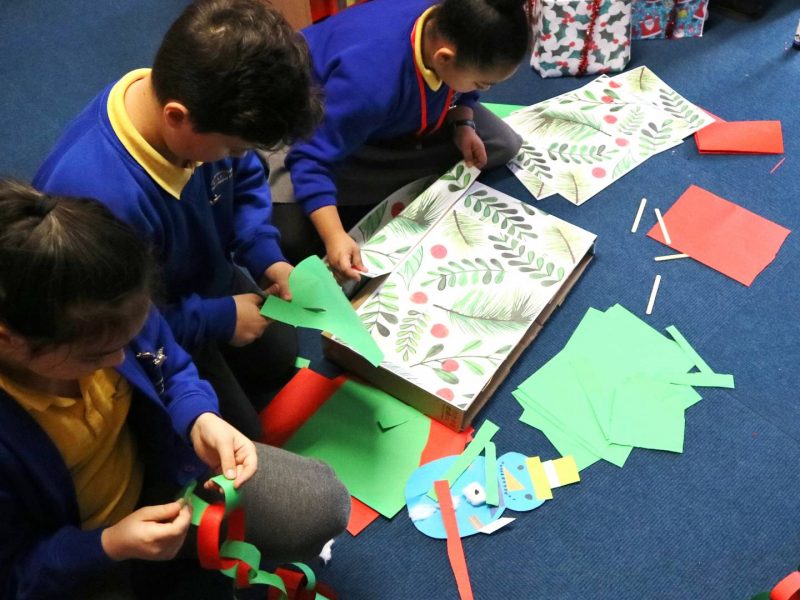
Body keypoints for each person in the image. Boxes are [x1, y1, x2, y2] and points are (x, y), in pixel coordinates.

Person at [0, 180, 350, 600]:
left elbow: (167, 362)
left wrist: (198, 416)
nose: (120, 360)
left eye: (127, 340)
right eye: (96, 355)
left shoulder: (103, 301)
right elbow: (14, 574)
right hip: (76, 554)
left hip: (161, 475)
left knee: (319, 504)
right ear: (9, 340)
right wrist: (108, 545)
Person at [33, 0, 324, 441]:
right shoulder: (96, 197)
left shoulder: (200, 111)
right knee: (242, 435)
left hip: (202, 277)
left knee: (280, 356)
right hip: (142, 318)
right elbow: (126, 326)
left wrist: (266, 257)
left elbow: (245, 181)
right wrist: (216, 319)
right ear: (176, 118)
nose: (238, 156)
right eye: (233, 148)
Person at [269, 0, 530, 280]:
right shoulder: (369, 87)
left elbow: (463, 93)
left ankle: (399, 171)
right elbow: (310, 158)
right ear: (443, 58)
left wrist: (463, 122)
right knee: (295, 239)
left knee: (503, 144)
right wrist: (335, 236)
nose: (485, 89)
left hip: (390, 114)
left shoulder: (449, 20)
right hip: (312, 120)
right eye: (481, 84)